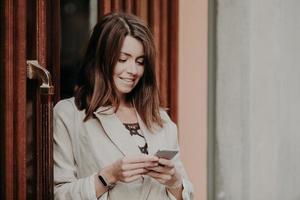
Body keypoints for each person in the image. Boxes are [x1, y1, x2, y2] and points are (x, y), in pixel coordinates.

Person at [53, 12, 194, 200]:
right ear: (101, 59)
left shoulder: (159, 119)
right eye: (122, 59)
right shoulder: (69, 114)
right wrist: (109, 176)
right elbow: (59, 194)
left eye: (140, 61)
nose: (133, 70)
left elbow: (185, 194)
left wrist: (175, 183)